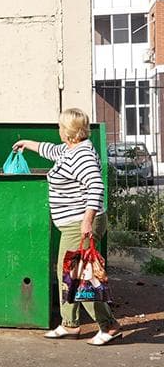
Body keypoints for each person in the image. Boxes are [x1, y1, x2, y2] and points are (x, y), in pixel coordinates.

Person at [12, 107, 122, 346]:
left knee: (81, 275)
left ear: (70, 132)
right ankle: (69, 324)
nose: (58, 130)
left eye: (61, 126)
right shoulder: (69, 149)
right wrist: (26, 144)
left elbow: (96, 187)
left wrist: (86, 220)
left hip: (80, 223)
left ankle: (109, 325)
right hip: (73, 223)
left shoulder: (81, 156)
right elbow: (50, 150)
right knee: (68, 274)